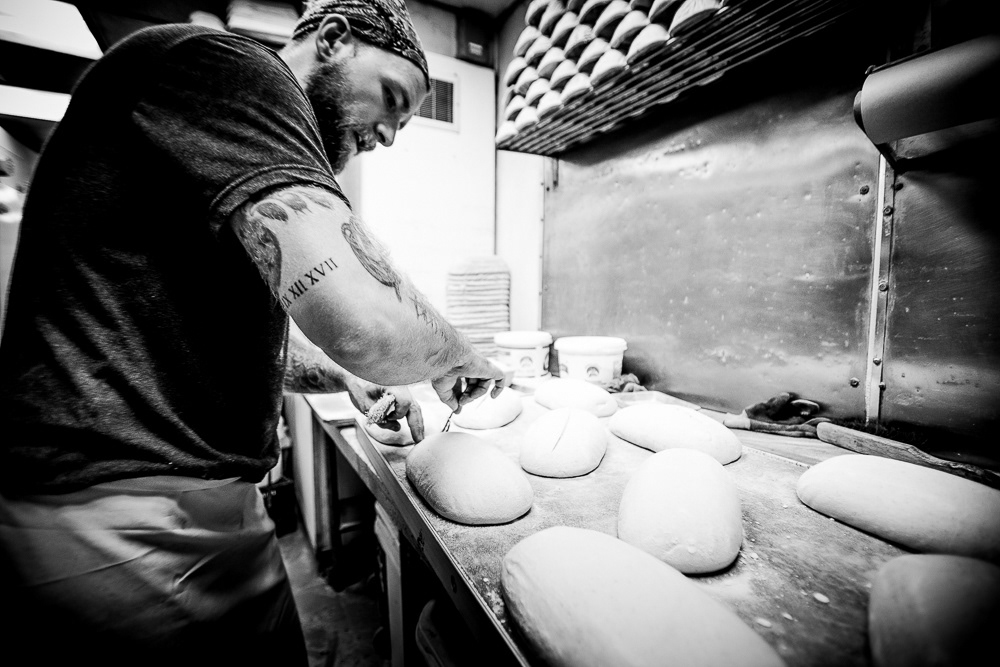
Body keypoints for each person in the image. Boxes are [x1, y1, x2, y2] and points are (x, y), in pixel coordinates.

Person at [0, 0, 505, 664]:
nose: (388, 135)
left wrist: (343, 376)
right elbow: (365, 322)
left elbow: (218, 331)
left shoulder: (219, 143)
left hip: (191, 504)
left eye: (404, 123)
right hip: (115, 517)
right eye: (390, 98)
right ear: (332, 38)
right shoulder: (233, 68)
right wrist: (459, 354)